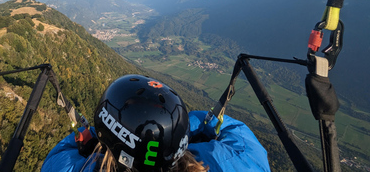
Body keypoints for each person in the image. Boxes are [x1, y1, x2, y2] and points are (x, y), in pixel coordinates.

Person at [41, 74, 271, 172]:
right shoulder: (231, 160)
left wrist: (98, 133)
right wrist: (178, 131)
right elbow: (235, 131)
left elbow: (61, 155)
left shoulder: (72, 166)